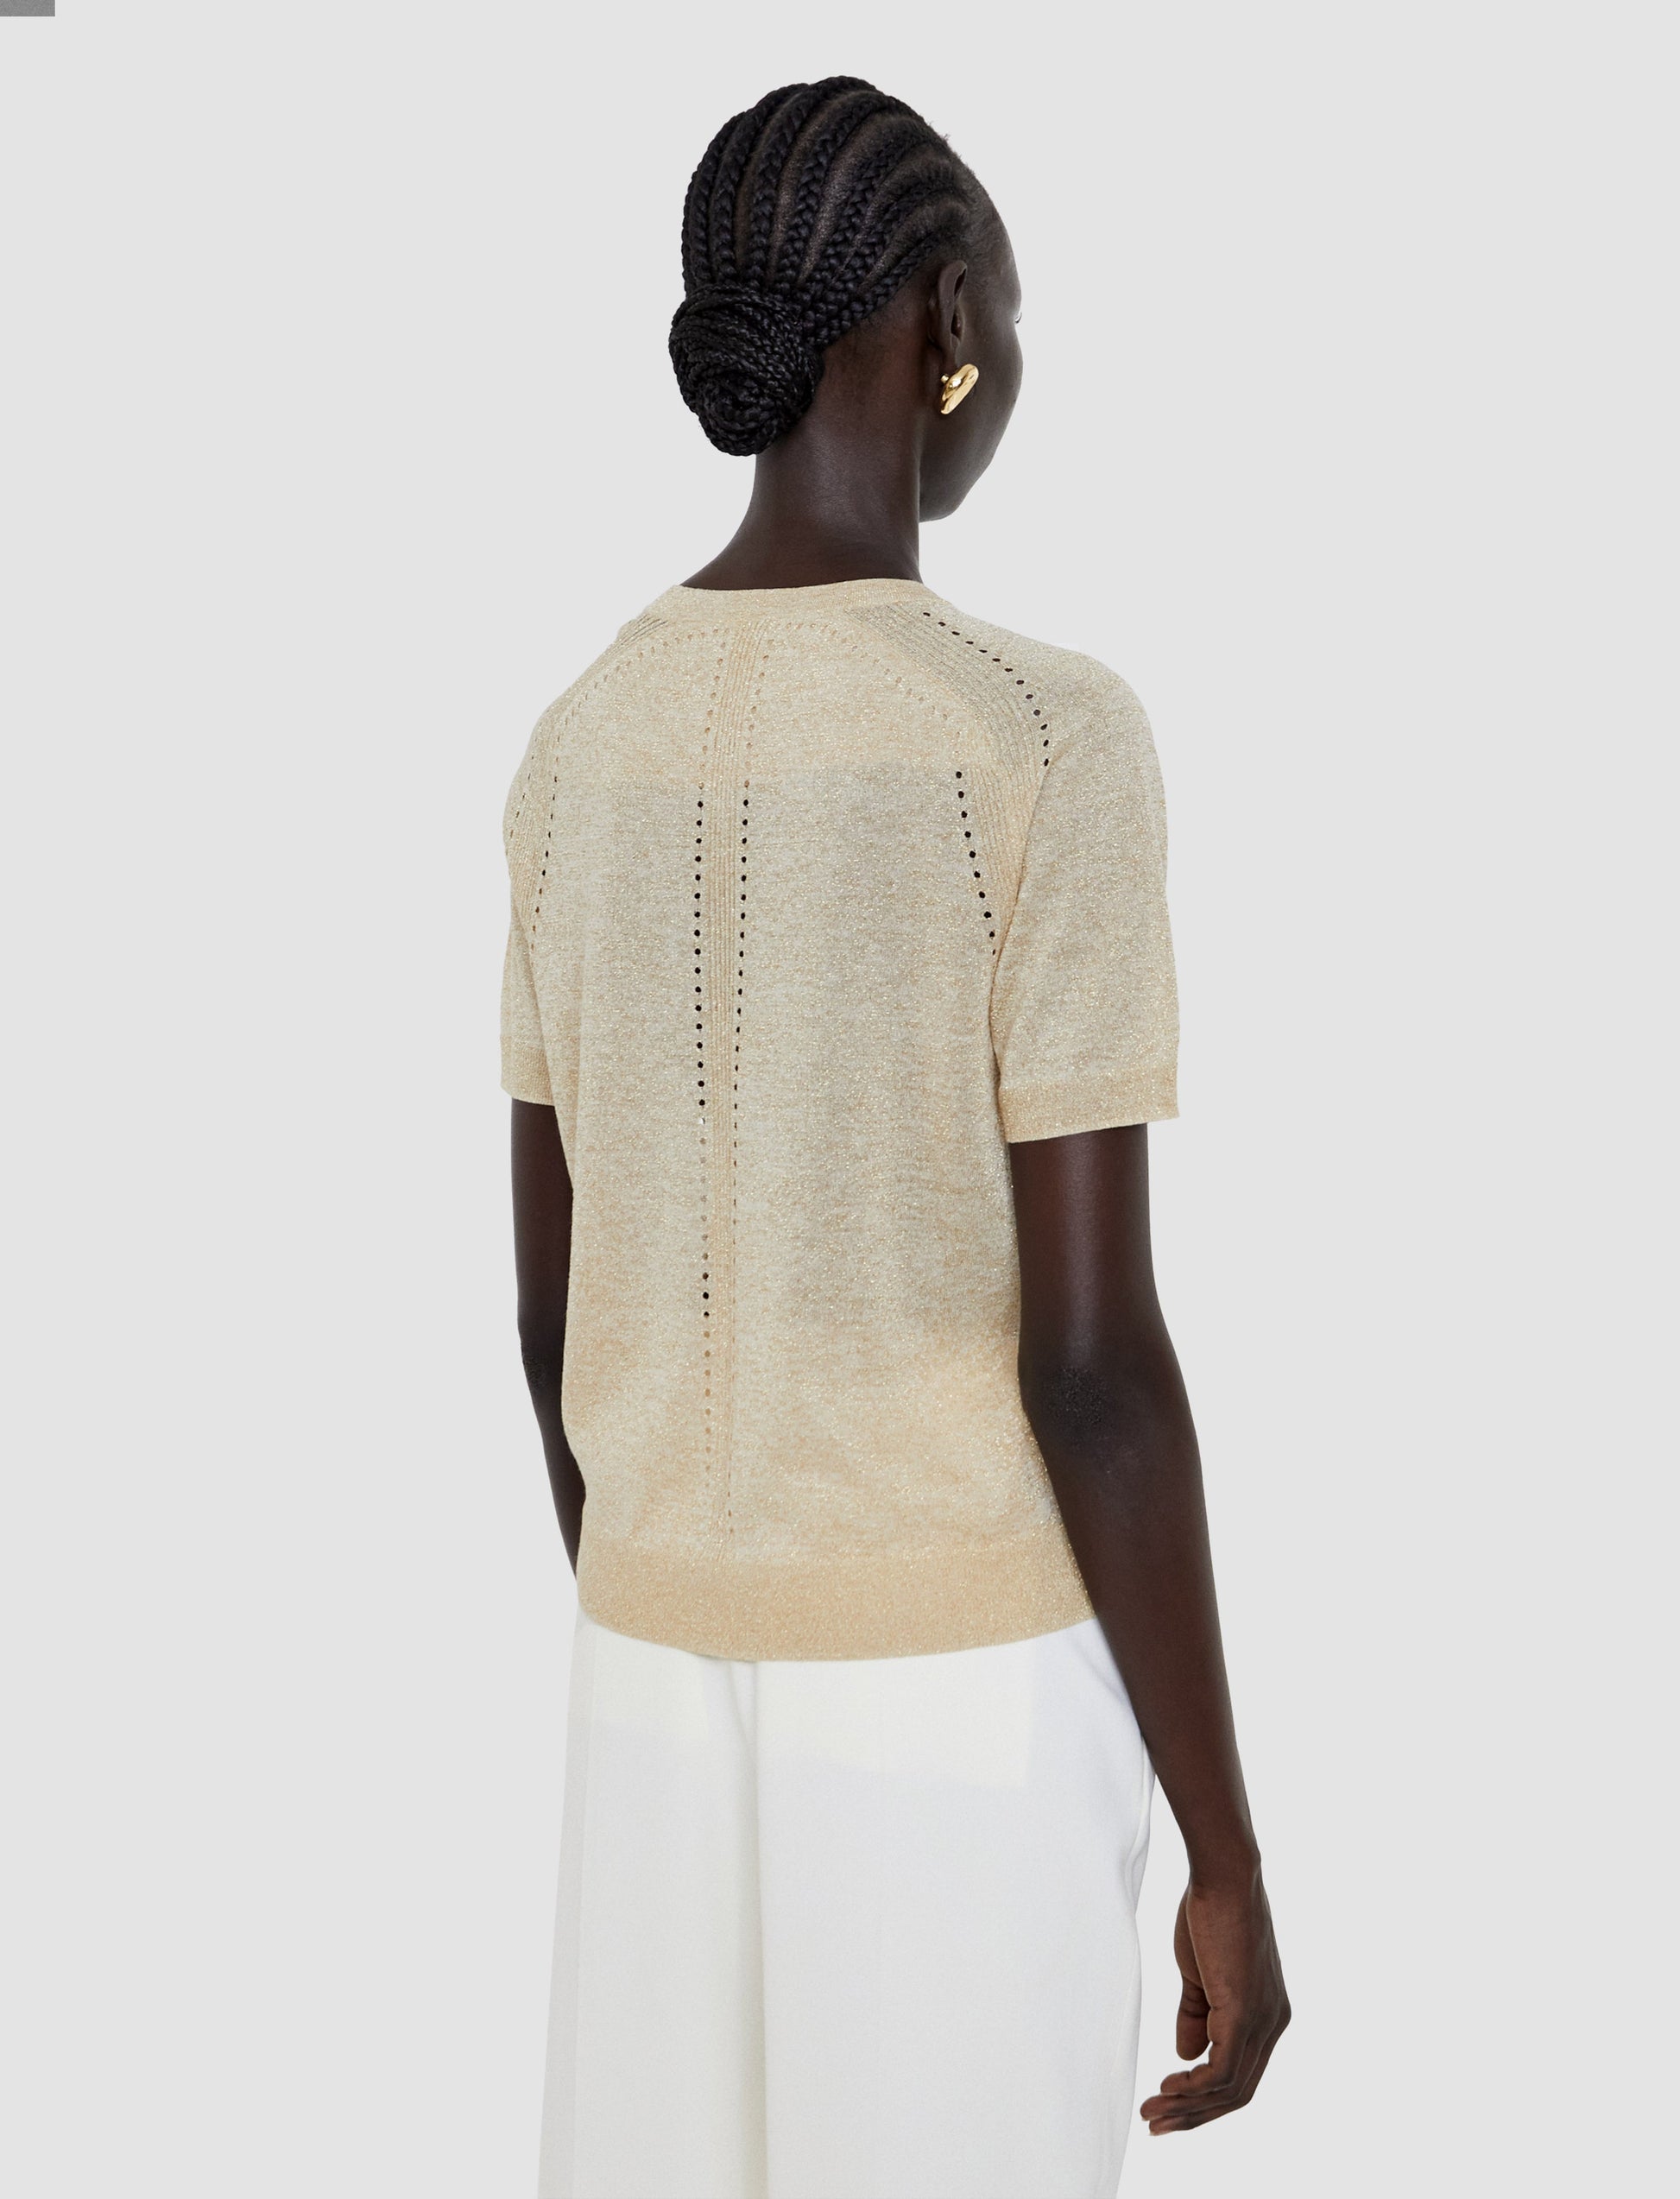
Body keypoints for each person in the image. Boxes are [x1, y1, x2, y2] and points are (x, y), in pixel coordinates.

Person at [505, 77, 1287, 2199]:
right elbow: (1092, 1362)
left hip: (644, 1662)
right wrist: (1223, 1845)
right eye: (1005, 314)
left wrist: (686, 1597)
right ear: (944, 317)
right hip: (958, 1690)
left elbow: (548, 1316)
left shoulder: (577, 745)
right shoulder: (1038, 732)